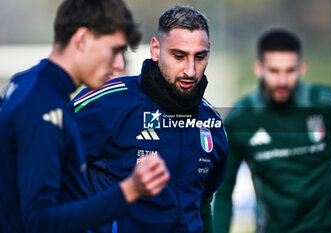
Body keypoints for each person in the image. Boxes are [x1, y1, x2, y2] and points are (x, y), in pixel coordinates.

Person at [0, 0, 170, 232]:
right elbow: (40, 221)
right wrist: (128, 191)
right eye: (114, 50)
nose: (119, 63)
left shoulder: (27, 83)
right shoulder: (43, 107)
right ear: (82, 40)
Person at [72, 5, 229, 233]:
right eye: (179, 56)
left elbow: (203, 205)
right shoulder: (105, 104)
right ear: (155, 49)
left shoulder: (212, 125)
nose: (190, 70)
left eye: (200, 57)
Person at [213, 29, 331, 233]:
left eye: (290, 71)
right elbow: (223, 193)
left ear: (301, 68)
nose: (283, 81)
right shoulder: (240, 120)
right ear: (259, 69)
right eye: (274, 71)